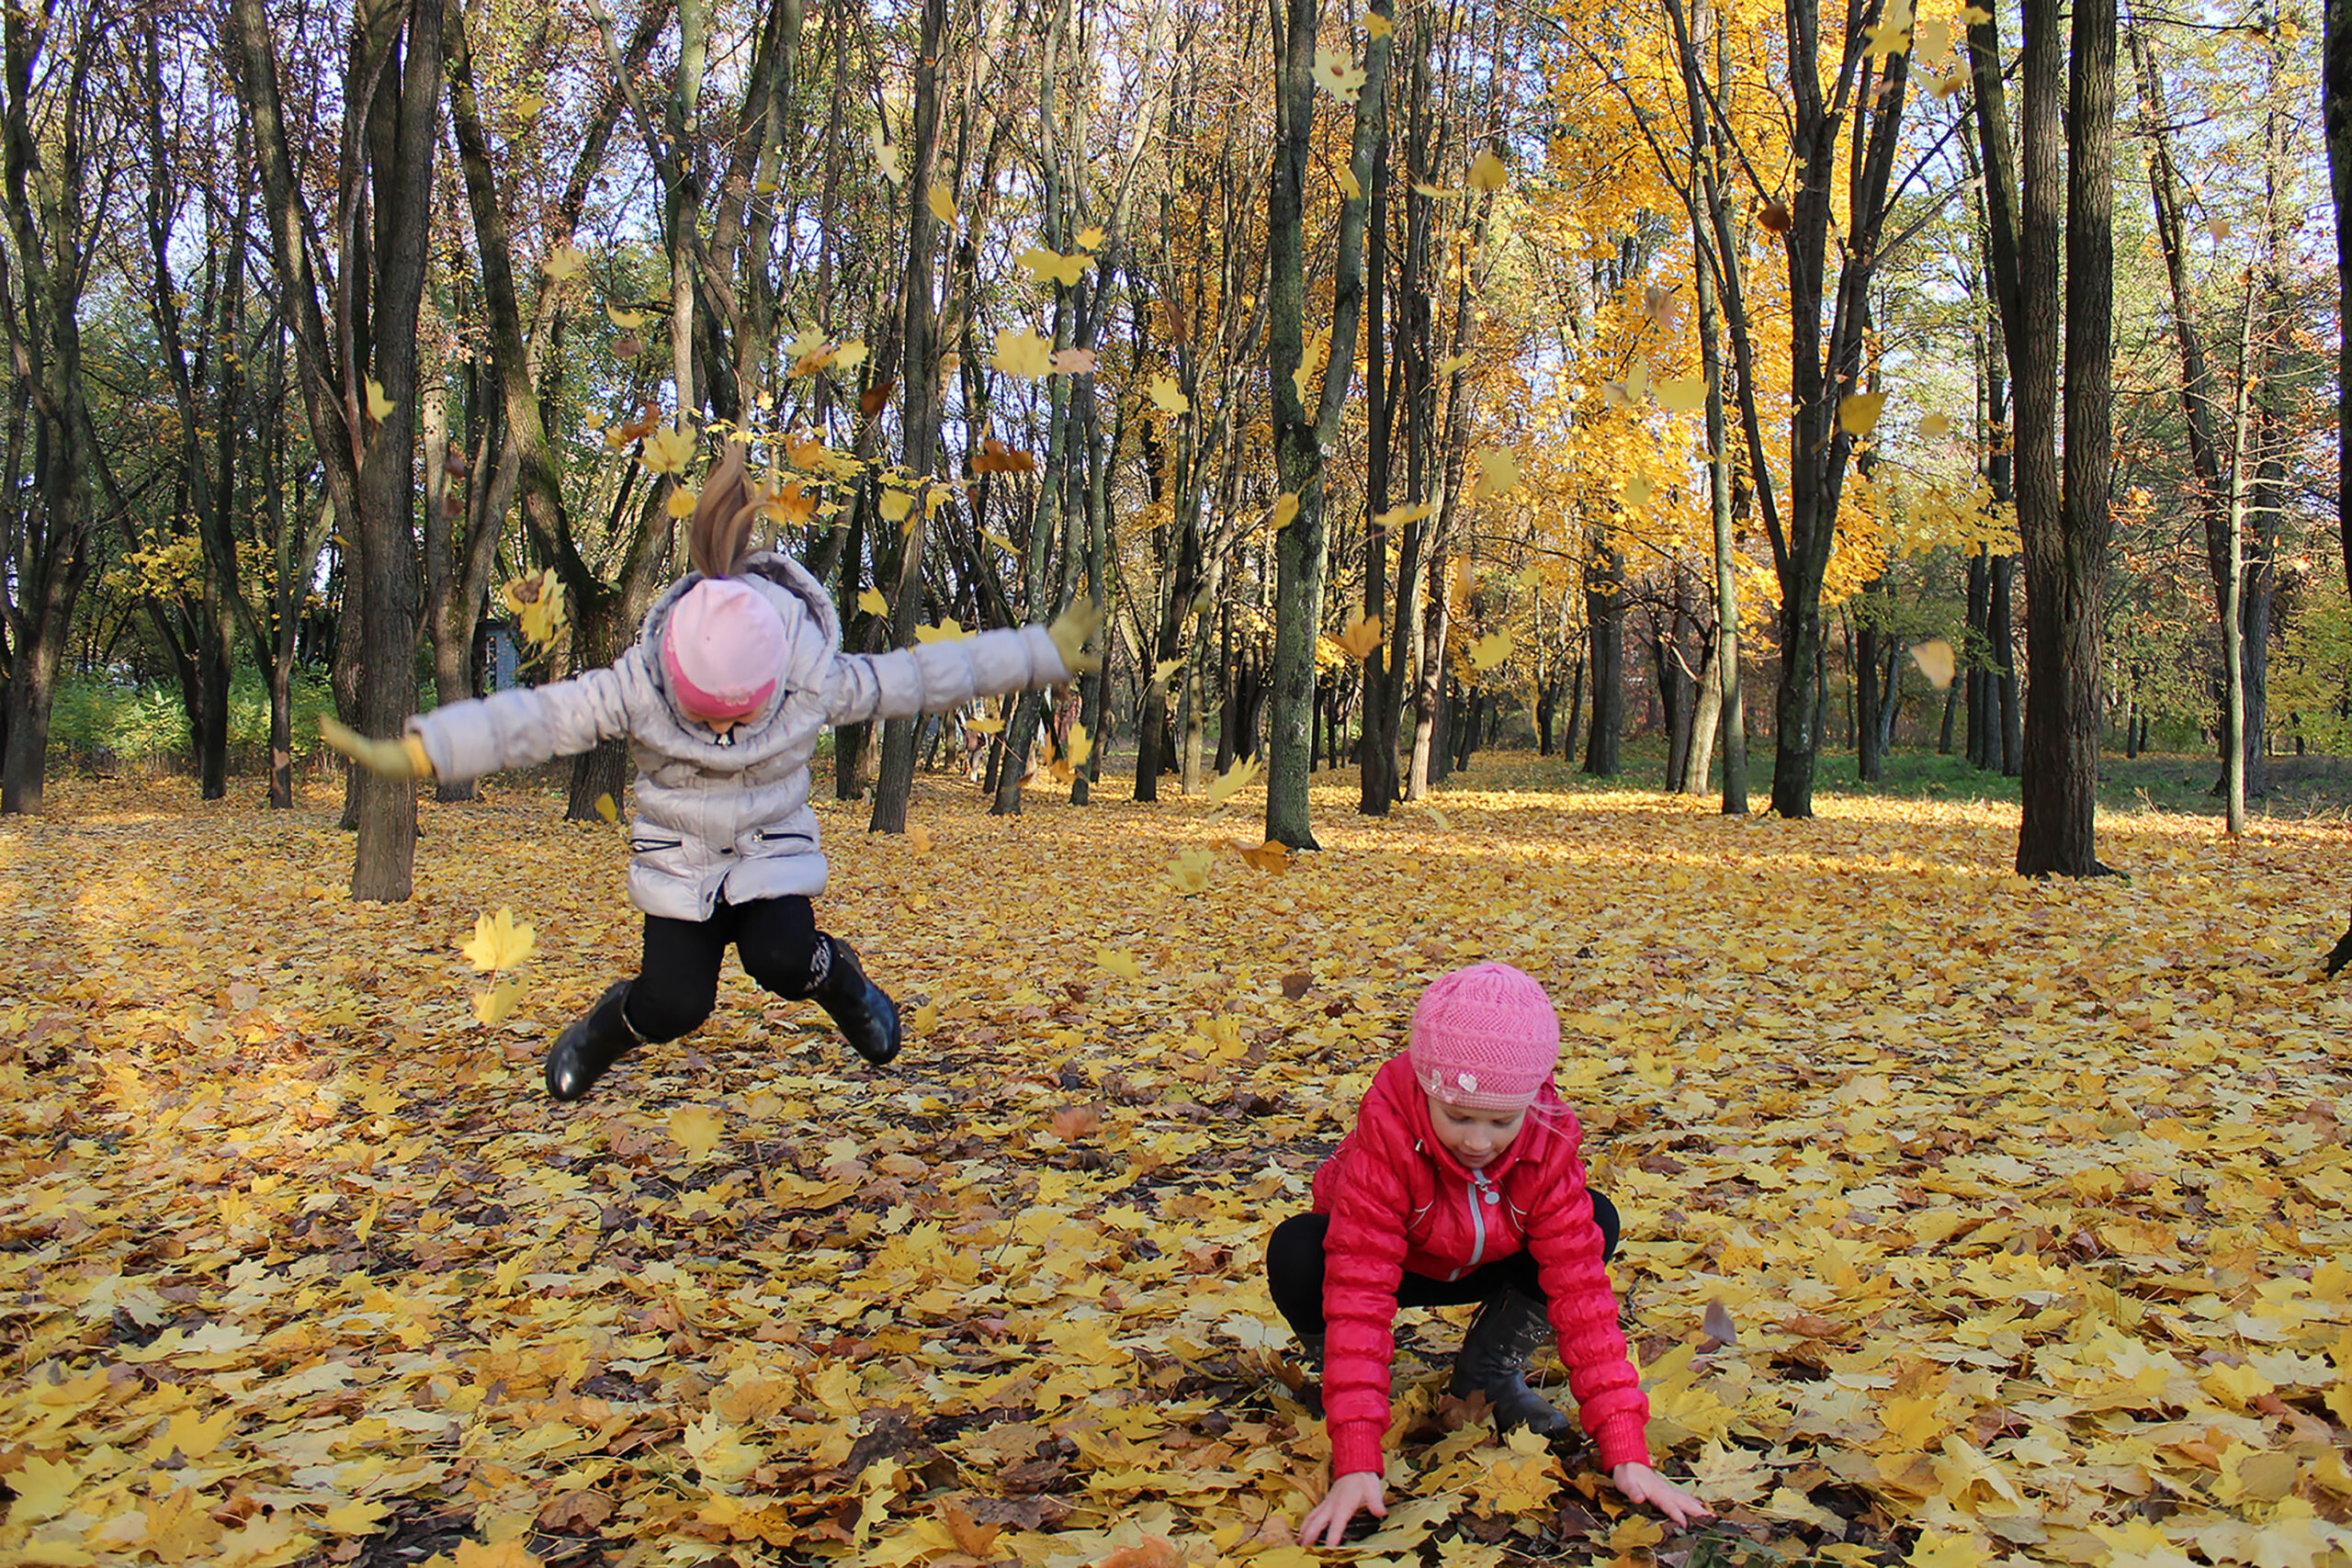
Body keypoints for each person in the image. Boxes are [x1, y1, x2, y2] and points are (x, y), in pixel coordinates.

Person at [323, 441, 1100, 1100]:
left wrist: (1040, 650)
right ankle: (602, 1030)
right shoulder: (640, 682)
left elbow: (926, 674)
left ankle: (847, 985)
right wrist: (430, 746)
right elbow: (533, 718)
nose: (725, 729)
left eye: (739, 715)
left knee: (782, 958)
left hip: (771, 854)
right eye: (707, 715)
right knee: (673, 1006)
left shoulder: (811, 675)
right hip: (681, 863)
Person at [1263, 961, 1712, 1547]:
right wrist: (1355, 1462)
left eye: (1501, 1120)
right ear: (1426, 1089)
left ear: (1531, 1101)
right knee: (1298, 1249)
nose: (1478, 1141)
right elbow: (1358, 1294)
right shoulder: (1387, 1144)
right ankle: (1351, 1396)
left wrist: (1627, 1451)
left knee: (1595, 1219)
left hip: (1496, 1258)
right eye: (1458, 1116)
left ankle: (1488, 1376)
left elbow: (1582, 1298)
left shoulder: (1546, 1148)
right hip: (1398, 1263)